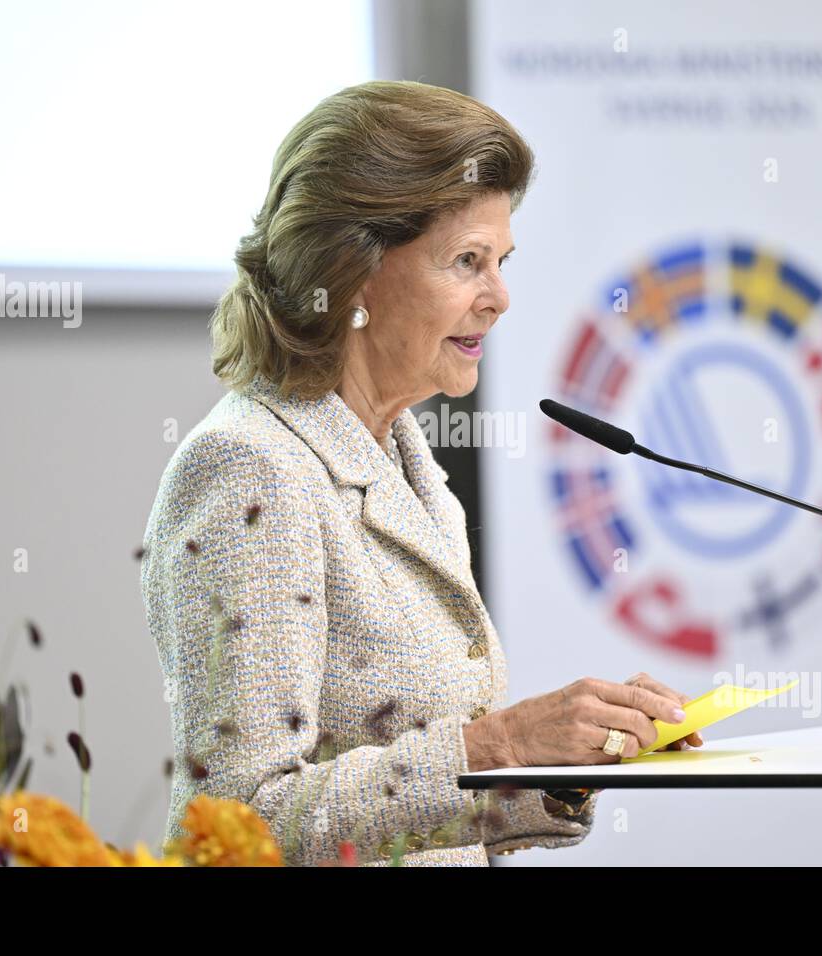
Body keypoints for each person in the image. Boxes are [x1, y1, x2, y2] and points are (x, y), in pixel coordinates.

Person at [140, 80, 703, 867]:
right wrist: (502, 744)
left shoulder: (406, 464)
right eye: (467, 261)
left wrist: (567, 760)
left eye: (501, 261)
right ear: (355, 271)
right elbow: (238, 825)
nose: (499, 297)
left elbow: (428, 807)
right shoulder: (249, 469)